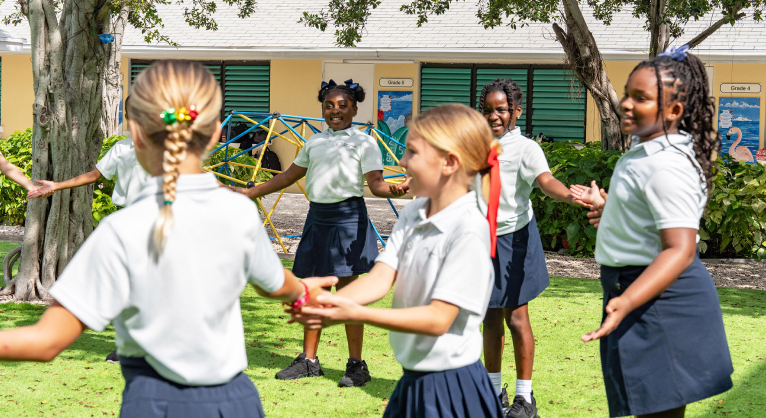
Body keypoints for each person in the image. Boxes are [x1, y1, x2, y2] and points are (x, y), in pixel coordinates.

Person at [0, 60, 334, 418]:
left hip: (154, 403)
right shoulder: (238, 214)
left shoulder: (121, 230)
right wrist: (304, 292)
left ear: (136, 134)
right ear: (214, 135)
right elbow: (277, 286)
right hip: (237, 403)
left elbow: (47, 341)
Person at [290, 103, 505, 418]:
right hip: (414, 380)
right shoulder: (416, 212)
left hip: (450, 388)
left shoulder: (469, 229)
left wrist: (353, 311)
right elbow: (381, 276)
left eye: (412, 153)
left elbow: (438, 319)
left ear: (449, 162)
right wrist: (324, 304)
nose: (402, 161)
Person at [572, 45, 733, 418]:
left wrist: (626, 301)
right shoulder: (645, 152)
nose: (626, 103)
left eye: (640, 98)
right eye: (628, 93)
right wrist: (611, 209)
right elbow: (648, 214)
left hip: (660, 300)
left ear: (674, 111)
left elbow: (679, 249)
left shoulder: (666, 166)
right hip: (634, 291)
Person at [231, 79, 407, 387]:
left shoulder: (364, 142)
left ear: (354, 108)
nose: (335, 111)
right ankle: (309, 360)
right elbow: (288, 176)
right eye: (329, 105)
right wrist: (251, 192)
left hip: (349, 220)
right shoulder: (314, 142)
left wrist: (394, 187)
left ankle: (356, 365)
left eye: (342, 105)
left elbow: (376, 184)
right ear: (322, 109)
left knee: (349, 292)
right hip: (318, 218)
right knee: (313, 288)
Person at [477, 78, 587, 418]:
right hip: (482, 241)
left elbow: (546, 182)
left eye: (501, 110)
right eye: (488, 110)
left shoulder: (525, 148)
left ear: (516, 112)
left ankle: (525, 399)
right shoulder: (475, 145)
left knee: (517, 317)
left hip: (516, 239)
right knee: (490, 317)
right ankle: (494, 392)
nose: (494, 116)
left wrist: (570, 195)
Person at [27, 95, 151, 364]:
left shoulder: (167, 150)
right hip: (128, 224)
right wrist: (56, 186)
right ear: (128, 117)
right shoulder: (121, 149)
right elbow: (93, 175)